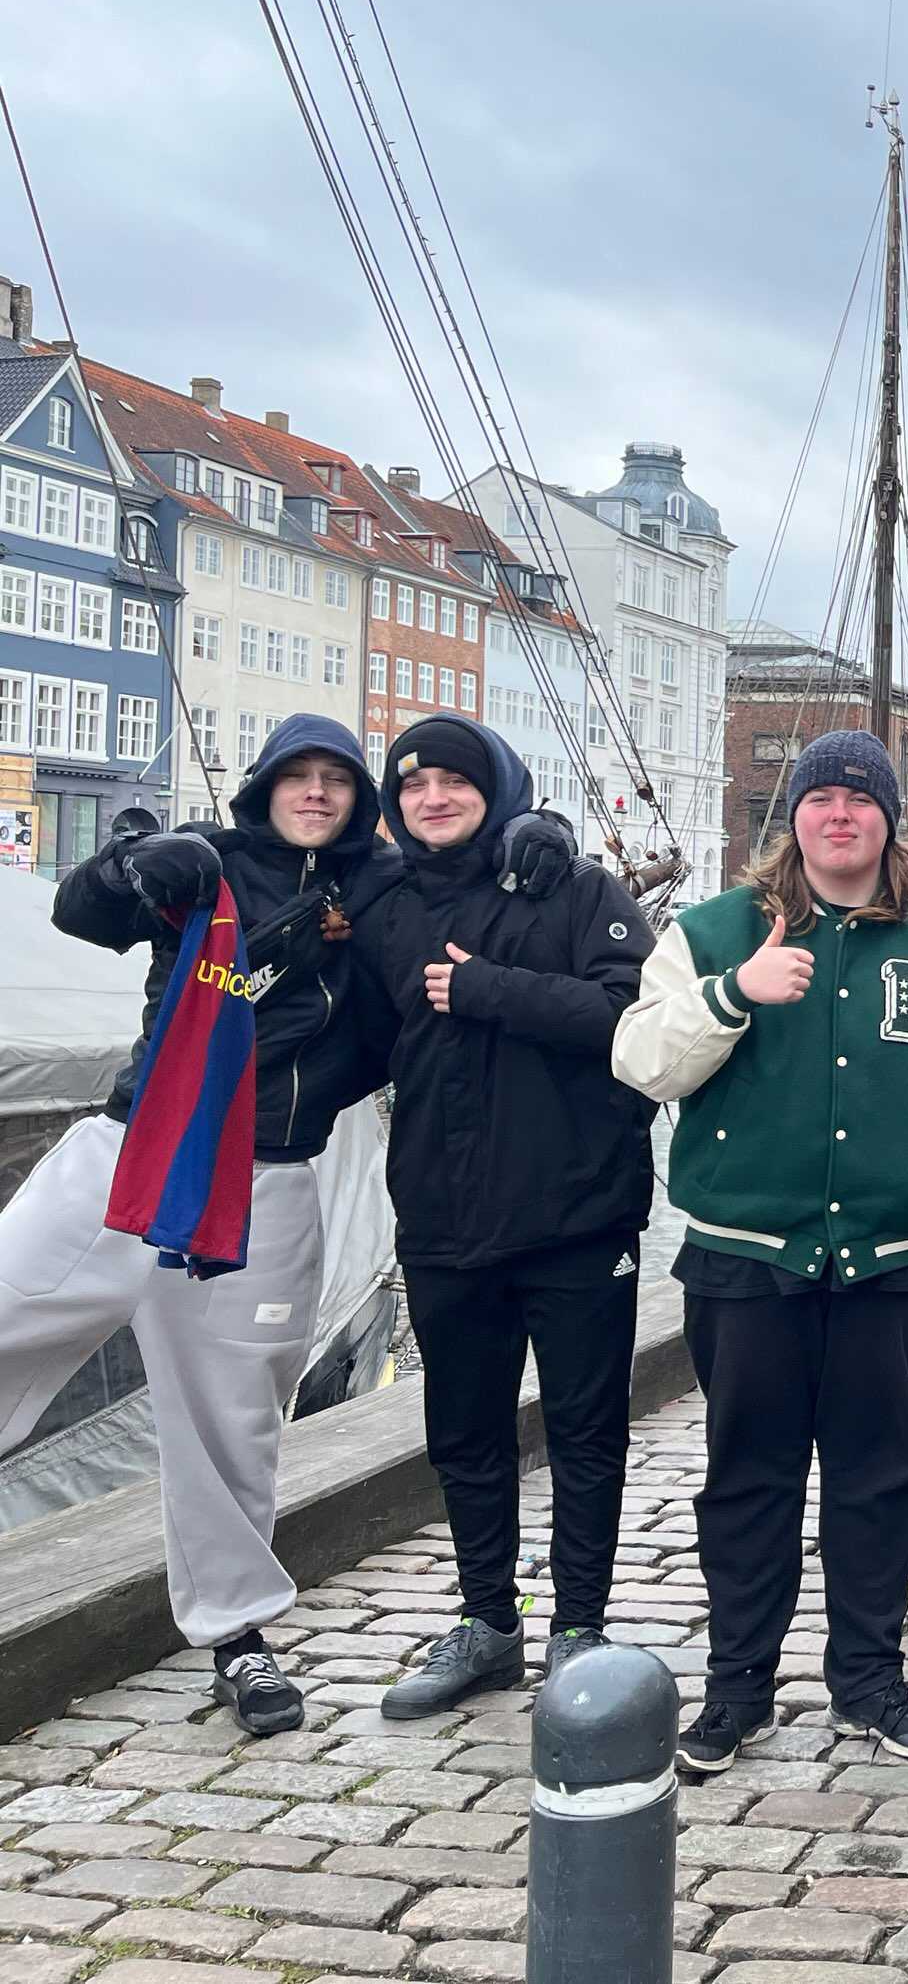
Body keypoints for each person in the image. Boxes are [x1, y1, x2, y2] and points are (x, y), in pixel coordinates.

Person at [615, 730, 908, 1775]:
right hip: (749, 1253)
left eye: (859, 799)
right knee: (746, 1478)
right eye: (820, 798)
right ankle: (737, 1689)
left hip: (893, 1255)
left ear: (889, 821)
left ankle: (870, 1679)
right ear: (791, 817)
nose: (838, 815)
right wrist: (732, 995)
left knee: (879, 1476)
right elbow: (641, 1063)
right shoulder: (715, 932)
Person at [0, 716, 409, 1735]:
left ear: (359, 801)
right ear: (265, 785)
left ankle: (239, 1635)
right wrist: (132, 862)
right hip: (133, 1152)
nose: (315, 792)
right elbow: (79, 912)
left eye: (337, 781)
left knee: (234, 1421)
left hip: (265, 1183)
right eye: (297, 776)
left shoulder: (380, 900)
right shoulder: (207, 867)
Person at [354, 716, 651, 1719]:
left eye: (454, 780)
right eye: (415, 783)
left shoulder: (572, 886)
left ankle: (578, 1624)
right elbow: (350, 1039)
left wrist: (489, 990)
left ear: (496, 787)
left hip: (576, 1215)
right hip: (445, 1215)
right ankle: (490, 1620)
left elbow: (634, 1024)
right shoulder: (387, 904)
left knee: (584, 1429)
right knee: (465, 1432)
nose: (434, 796)